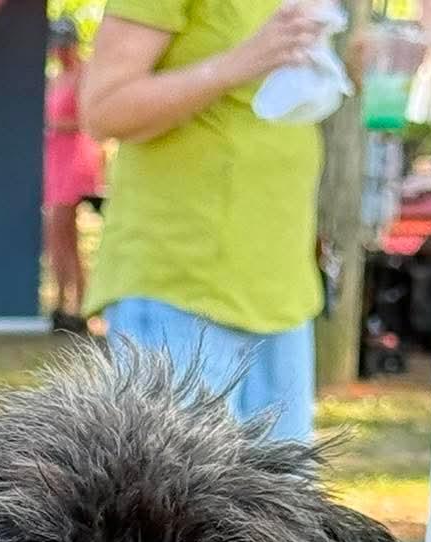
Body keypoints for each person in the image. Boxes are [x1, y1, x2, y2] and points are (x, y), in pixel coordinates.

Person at [82, 0, 330, 441]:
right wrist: (235, 65)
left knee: (283, 488)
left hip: (282, 291)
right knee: (173, 482)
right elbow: (103, 108)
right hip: (179, 287)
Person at [41, 20, 104, 333]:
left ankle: (80, 305)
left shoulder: (85, 75)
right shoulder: (54, 79)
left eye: (64, 45)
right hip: (54, 158)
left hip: (76, 158)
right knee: (55, 235)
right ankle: (60, 299)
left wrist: (55, 127)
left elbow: (90, 120)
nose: (60, 51)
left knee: (66, 229)